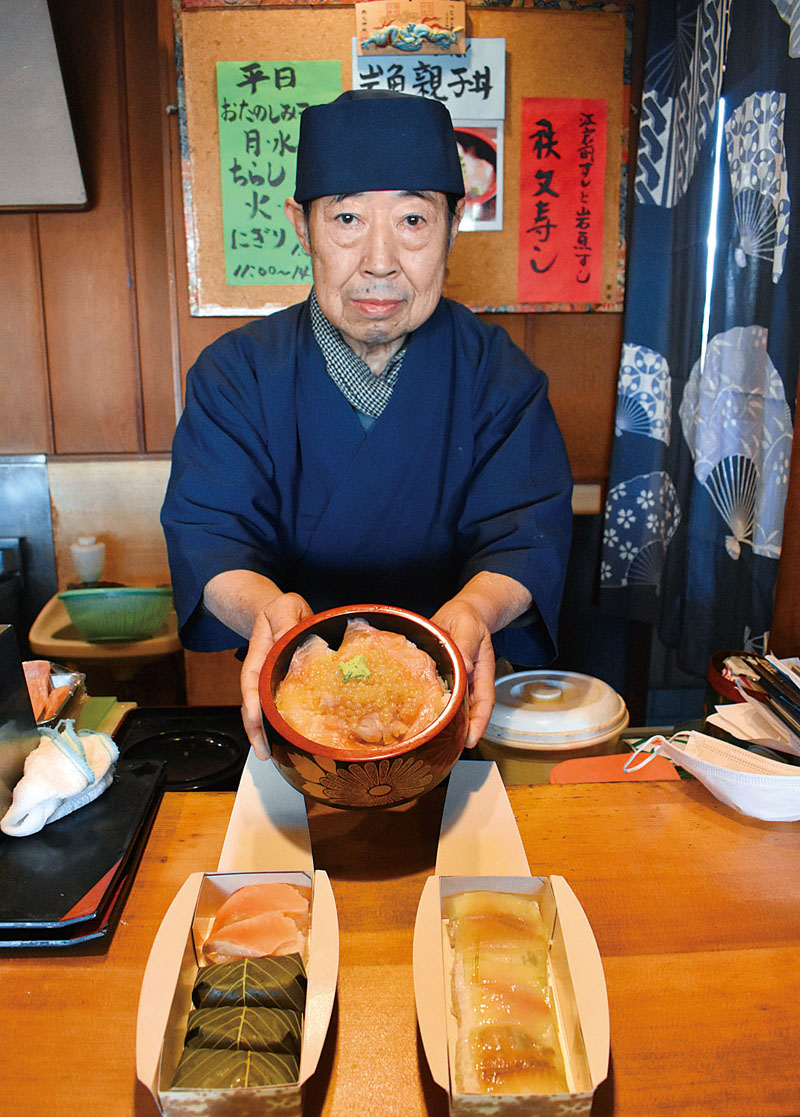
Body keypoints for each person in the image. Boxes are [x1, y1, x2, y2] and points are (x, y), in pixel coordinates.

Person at [161, 89, 572, 759]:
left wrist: (472, 614)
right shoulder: (236, 375)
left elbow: (526, 538)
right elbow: (211, 537)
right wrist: (265, 609)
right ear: (302, 225)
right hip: (295, 700)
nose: (380, 260)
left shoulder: (500, 376)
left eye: (413, 220)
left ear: (453, 224)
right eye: (347, 218)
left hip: (451, 695)